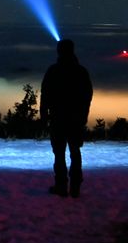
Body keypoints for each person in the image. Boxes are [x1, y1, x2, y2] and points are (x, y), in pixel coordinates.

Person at [40, 39, 93, 198]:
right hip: (75, 119)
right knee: (75, 152)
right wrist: (83, 116)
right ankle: (75, 187)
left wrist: (44, 116)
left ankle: (61, 185)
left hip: (58, 118)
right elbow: (87, 96)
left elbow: (45, 95)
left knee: (60, 153)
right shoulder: (81, 71)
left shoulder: (53, 71)